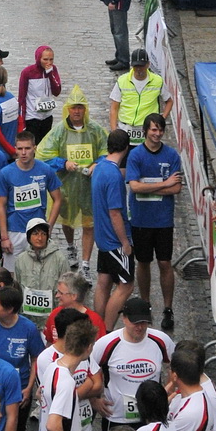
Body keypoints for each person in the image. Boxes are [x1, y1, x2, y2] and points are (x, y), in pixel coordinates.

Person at [38, 87, 109, 267]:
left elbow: (106, 150)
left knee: (89, 223)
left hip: (88, 185)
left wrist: (97, 164)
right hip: (66, 185)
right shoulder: (59, 131)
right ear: (68, 109)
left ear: (85, 109)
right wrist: (63, 163)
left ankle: (85, 263)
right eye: (73, 107)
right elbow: (43, 155)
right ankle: (70, 247)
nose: (77, 111)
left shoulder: (94, 130)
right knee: (67, 219)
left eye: (80, 107)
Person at [125, 115, 182, 327]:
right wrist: (164, 184)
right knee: (144, 262)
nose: (157, 134)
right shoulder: (136, 155)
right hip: (141, 219)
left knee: (165, 263)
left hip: (163, 220)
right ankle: (146, 304)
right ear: (145, 131)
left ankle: (168, 308)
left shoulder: (172, 155)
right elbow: (135, 187)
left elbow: (176, 188)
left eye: (160, 130)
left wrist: (162, 185)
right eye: (153, 130)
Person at [91, 298, 174, 431]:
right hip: (118, 418)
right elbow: (87, 369)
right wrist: (94, 399)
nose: (140, 327)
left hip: (152, 417)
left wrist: (168, 389)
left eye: (143, 322)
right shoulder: (106, 344)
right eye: (135, 322)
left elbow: (176, 365)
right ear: (124, 318)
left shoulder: (161, 340)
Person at [0, 132, 63, 257]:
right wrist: (4, 237)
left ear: (34, 149)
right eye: (20, 149)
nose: (24, 152)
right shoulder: (6, 173)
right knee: (12, 274)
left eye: (27, 148)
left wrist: (49, 225)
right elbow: (1, 205)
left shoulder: (46, 170)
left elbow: (58, 199)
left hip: (38, 231)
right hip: (15, 231)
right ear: (15, 149)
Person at [92, 132, 135, 328]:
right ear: (126, 148)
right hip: (114, 240)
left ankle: (97, 327)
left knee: (104, 282)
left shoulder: (99, 167)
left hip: (102, 238)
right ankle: (107, 330)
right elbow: (115, 213)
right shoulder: (114, 175)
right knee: (126, 286)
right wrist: (125, 242)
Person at [109, 49, 169, 145]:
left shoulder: (158, 81)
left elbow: (169, 101)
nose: (138, 69)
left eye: (141, 66)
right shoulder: (122, 81)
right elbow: (114, 107)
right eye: (136, 66)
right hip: (125, 128)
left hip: (146, 131)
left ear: (148, 64)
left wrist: (162, 118)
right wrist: (114, 131)